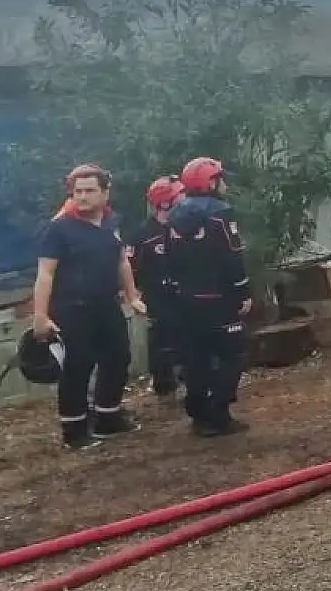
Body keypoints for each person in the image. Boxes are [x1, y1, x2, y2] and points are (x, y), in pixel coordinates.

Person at [33, 164, 148, 449]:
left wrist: (132, 296)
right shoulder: (59, 228)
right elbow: (45, 273)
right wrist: (40, 316)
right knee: (77, 366)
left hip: (106, 304)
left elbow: (122, 261)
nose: (82, 197)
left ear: (105, 193)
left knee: (118, 357)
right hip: (72, 309)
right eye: (78, 191)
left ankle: (108, 417)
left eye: (89, 190)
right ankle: (74, 430)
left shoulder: (111, 222)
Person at [166, 156, 253, 437]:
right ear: (210, 183)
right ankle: (218, 413)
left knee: (196, 357)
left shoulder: (175, 215)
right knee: (233, 355)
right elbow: (231, 256)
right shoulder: (220, 213)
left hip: (186, 299)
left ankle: (199, 414)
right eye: (220, 178)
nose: (224, 184)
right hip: (219, 298)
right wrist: (243, 291)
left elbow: (170, 258)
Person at [129, 176, 185, 399]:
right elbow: (129, 267)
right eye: (179, 196)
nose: (185, 199)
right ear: (164, 203)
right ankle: (164, 384)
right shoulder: (143, 234)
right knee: (162, 340)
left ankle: (189, 379)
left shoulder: (186, 226)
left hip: (186, 294)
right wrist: (134, 294)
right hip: (158, 298)